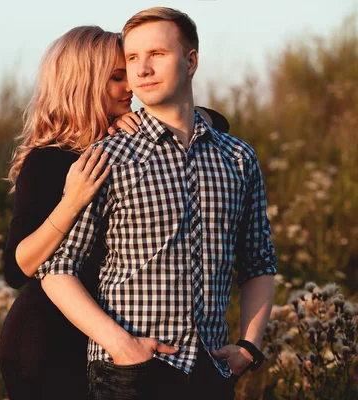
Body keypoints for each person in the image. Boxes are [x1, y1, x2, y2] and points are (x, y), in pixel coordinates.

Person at [36, 7, 277, 400]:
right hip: (129, 372)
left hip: (212, 369)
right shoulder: (106, 157)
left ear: (191, 60)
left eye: (157, 55)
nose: (142, 69)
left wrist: (249, 346)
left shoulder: (238, 158)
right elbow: (56, 268)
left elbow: (259, 261)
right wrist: (119, 344)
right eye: (132, 58)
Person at [0, 25, 230, 400]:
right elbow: (16, 267)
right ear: (85, 84)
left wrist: (139, 121)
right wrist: (71, 201)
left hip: (105, 338)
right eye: (117, 77)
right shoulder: (50, 160)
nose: (131, 86)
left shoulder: (120, 146)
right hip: (49, 339)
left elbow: (216, 120)